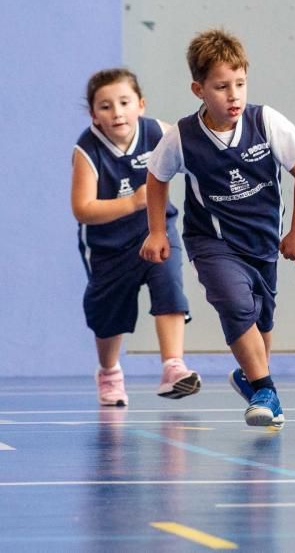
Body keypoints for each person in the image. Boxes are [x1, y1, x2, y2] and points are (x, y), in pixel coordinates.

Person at [140, 28, 295, 428]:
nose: (233, 95)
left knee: (260, 320)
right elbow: (156, 176)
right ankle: (266, 388)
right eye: (221, 87)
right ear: (198, 89)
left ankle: (250, 376)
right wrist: (156, 231)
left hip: (264, 242)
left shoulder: (265, 121)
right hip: (213, 242)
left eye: (240, 84)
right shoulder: (182, 137)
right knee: (236, 306)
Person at [72, 68, 199, 407]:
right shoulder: (87, 150)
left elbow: (198, 151)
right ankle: (109, 371)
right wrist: (131, 202)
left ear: (140, 105)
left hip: (155, 232)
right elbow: (82, 209)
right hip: (109, 246)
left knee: (169, 284)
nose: (117, 112)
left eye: (124, 102)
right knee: (109, 315)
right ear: (93, 115)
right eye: (105, 106)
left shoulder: (159, 132)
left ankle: (173, 366)